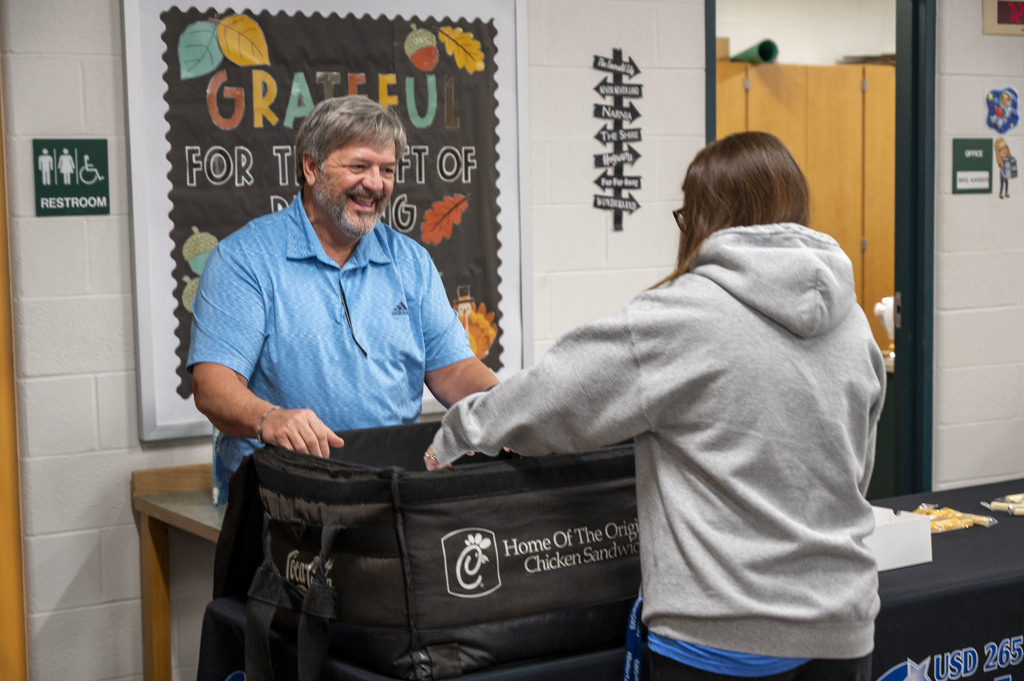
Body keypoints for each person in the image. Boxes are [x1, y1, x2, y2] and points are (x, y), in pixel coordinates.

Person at [424, 132, 886, 681]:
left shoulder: (682, 317)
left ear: (702, 217)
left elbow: (558, 395)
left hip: (721, 636)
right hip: (843, 627)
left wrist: (463, 428)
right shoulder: (852, 323)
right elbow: (857, 468)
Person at [188, 95, 497, 472]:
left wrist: (504, 408)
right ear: (311, 167)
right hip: (284, 491)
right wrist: (269, 418)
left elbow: (454, 370)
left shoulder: (411, 262)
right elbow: (211, 385)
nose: (375, 183)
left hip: (394, 486)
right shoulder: (244, 260)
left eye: (387, 169)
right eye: (359, 166)